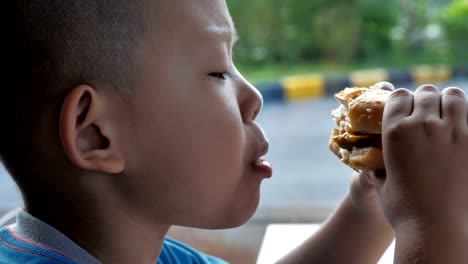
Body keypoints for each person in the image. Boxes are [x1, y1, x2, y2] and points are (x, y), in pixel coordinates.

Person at [1, 0, 466, 263]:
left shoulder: (145, 254)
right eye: (218, 72)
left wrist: (367, 208)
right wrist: (435, 228)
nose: (253, 98)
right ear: (96, 135)